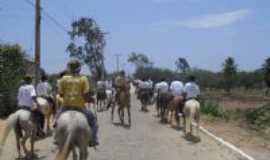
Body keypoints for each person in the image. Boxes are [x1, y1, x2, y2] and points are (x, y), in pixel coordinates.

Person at [57, 59, 99, 147]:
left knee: (57, 120)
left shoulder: (63, 79)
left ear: (69, 68)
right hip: (80, 107)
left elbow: (60, 94)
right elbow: (86, 95)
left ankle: (56, 138)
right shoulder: (83, 78)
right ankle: (93, 139)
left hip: (66, 107)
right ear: (79, 69)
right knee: (94, 121)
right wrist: (91, 99)